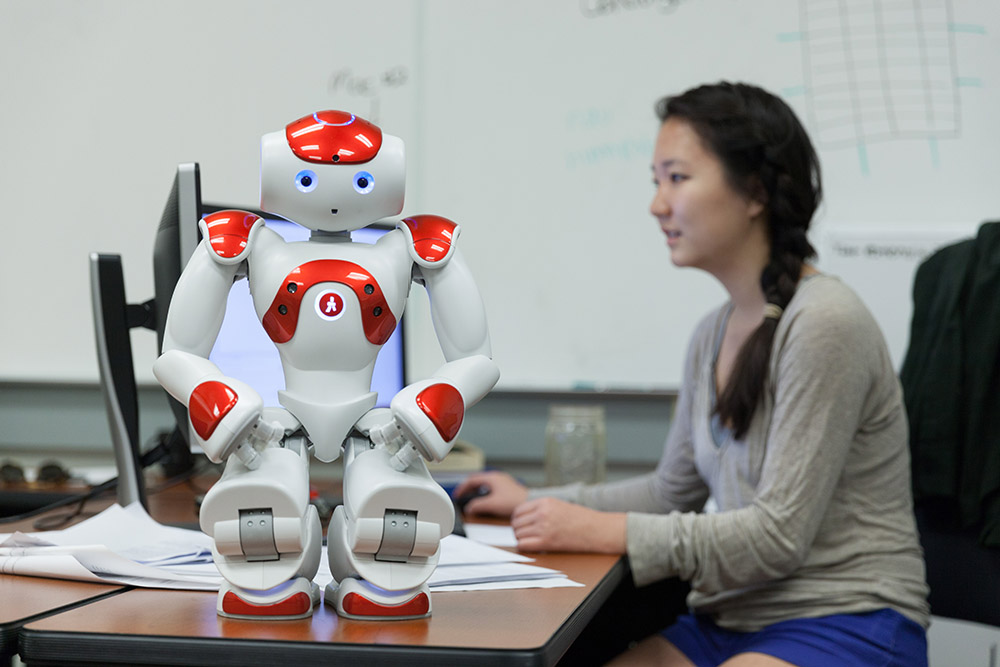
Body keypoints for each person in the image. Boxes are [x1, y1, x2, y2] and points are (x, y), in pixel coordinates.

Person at [453, 81, 930, 666]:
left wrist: (605, 532)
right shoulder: (714, 331)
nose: (658, 203)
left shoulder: (825, 323)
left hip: (845, 619)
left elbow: (776, 537)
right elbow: (669, 492)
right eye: (657, 181)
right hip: (728, 620)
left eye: (677, 178)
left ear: (753, 191)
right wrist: (536, 500)